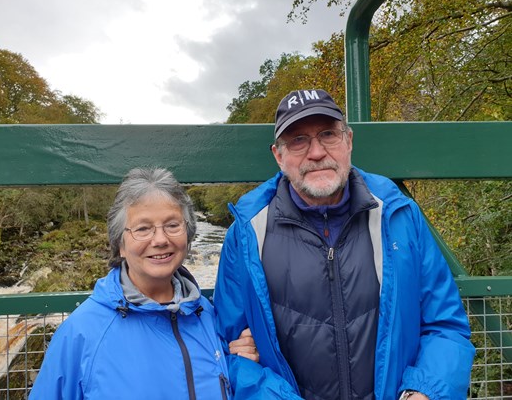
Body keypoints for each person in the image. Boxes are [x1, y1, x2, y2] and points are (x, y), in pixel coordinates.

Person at [214, 89, 475, 399]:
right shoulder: (247, 233)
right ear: (279, 156)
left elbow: (445, 324)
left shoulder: (398, 215)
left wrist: (425, 390)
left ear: (348, 141)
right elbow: (227, 350)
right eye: (298, 140)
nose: (316, 152)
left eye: (328, 134)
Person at [30, 167, 257, 400]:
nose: (160, 240)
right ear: (120, 244)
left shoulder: (208, 316)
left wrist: (238, 363)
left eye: (172, 225)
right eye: (143, 228)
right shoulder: (81, 334)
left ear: (188, 235)